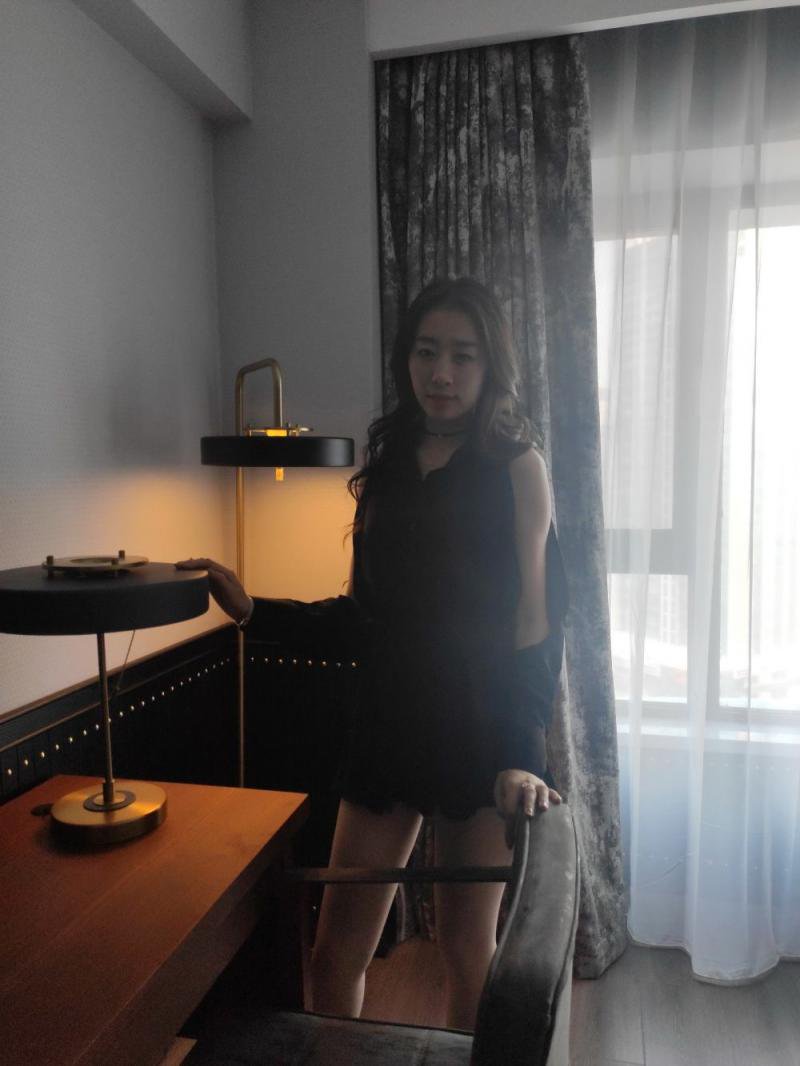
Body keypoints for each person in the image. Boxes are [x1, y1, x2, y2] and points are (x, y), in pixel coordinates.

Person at [177, 276, 567, 1031]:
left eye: (463, 356)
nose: (441, 373)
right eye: (426, 352)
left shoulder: (519, 467)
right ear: (405, 359)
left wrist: (523, 754)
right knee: (335, 952)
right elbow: (363, 617)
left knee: (466, 950)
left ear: (491, 366)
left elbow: (534, 622)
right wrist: (256, 610)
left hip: (480, 729)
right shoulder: (387, 465)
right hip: (387, 724)